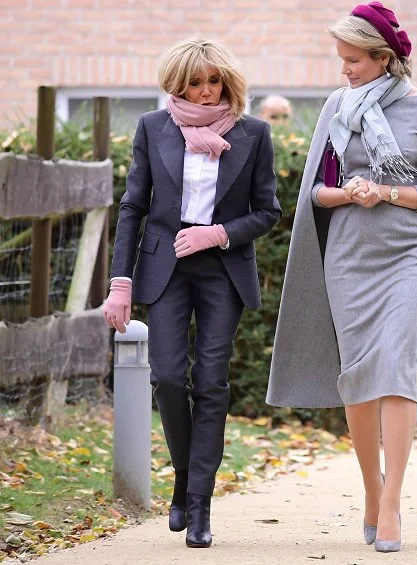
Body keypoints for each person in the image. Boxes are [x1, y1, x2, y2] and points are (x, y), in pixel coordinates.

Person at [267, 1, 417, 554]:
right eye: (341, 60)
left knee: (395, 368)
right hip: (348, 259)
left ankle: (391, 504)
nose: (344, 70)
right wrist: (348, 192)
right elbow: (313, 192)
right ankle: (370, 490)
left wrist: (386, 191)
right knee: (360, 376)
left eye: (354, 60)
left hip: (413, 256)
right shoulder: (336, 109)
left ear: (384, 58)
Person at [102, 36, 281, 549]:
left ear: (228, 82)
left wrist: (218, 233)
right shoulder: (153, 128)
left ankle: (198, 504)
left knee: (210, 380)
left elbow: (268, 210)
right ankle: (185, 479)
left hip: (221, 267)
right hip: (165, 267)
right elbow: (133, 207)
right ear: (176, 87)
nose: (206, 93)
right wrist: (121, 284)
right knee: (168, 376)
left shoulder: (253, 134)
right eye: (194, 84)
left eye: (214, 82)